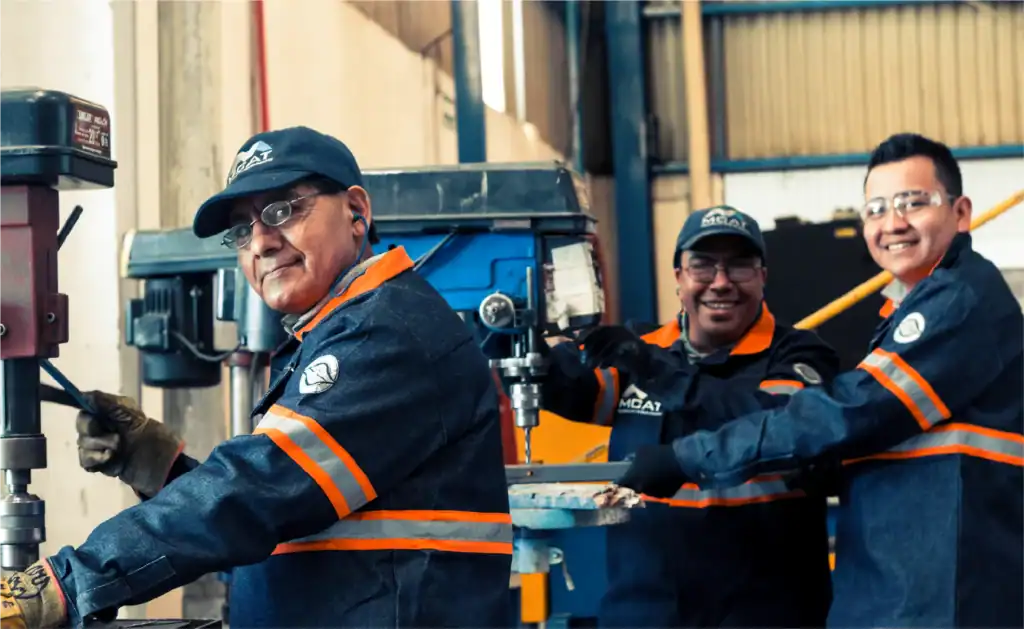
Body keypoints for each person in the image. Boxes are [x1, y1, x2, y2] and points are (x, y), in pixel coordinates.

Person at [0, 126, 514, 629]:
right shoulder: (330, 335)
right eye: (243, 229)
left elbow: (258, 494)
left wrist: (66, 583)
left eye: (283, 210)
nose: (262, 243)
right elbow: (285, 521)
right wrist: (158, 466)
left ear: (356, 211)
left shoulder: (389, 334)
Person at [601, 133, 1024, 628]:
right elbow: (879, 433)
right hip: (902, 588)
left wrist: (686, 455)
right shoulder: (911, 310)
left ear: (960, 212)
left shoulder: (957, 302)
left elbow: (851, 411)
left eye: (914, 203)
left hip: (939, 595)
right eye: (877, 208)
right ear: (679, 278)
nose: (894, 223)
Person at [540, 206, 840, 628]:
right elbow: (573, 388)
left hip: (766, 614)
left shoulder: (800, 355)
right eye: (703, 265)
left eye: (739, 265)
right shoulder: (642, 348)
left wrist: (658, 371)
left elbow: (774, 426)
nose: (721, 282)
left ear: (762, 277)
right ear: (678, 277)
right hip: (644, 613)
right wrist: (520, 344)